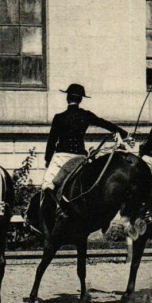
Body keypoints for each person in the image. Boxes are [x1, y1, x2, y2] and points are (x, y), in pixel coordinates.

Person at [42, 83, 128, 215]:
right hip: (80, 158)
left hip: (61, 158)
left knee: (47, 185)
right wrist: (123, 133)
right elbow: (104, 123)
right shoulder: (85, 115)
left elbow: (52, 141)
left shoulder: (59, 117)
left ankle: (56, 212)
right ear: (80, 100)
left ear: (67, 98)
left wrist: (48, 160)